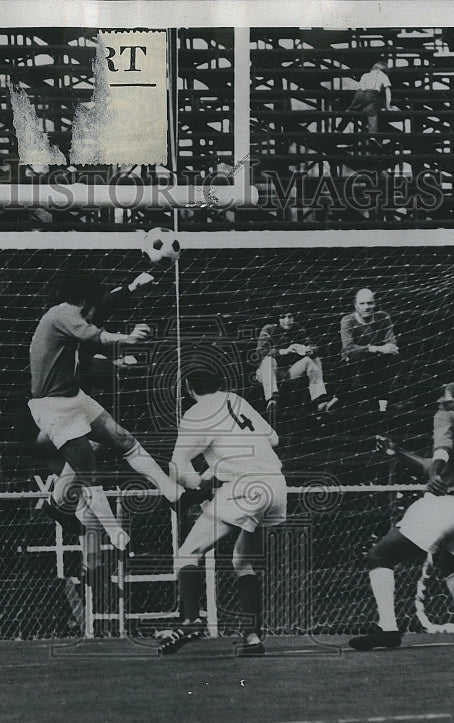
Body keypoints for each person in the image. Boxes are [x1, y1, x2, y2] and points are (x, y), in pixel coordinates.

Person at [27, 265, 182, 552]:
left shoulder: (69, 316)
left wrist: (133, 287)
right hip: (53, 407)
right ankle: (118, 538)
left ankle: (174, 494)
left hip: (74, 397)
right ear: (86, 301)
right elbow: (94, 335)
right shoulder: (63, 315)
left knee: (122, 438)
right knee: (89, 469)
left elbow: (101, 314)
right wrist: (128, 339)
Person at [348, 382, 454, 651]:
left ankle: (388, 629)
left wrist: (434, 475)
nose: (439, 399)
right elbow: (445, 463)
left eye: (444, 394)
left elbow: (442, 452)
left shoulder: (446, 416)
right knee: (451, 564)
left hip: (442, 505)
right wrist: (399, 453)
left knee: (379, 556)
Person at [158, 369, 287, 657]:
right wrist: (214, 472)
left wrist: (195, 492)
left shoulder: (196, 412)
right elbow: (274, 439)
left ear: (188, 387)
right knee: (243, 560)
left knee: (186, 554)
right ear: (220, 383)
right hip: (276, 485)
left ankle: (191, 621)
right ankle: (253, 638)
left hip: (244, 486)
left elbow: (176, 464)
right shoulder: (236, 400)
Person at [255, 303, 338, 414]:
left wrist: (309, 350)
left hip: (289, 371)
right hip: (268, 372)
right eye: (283, 317)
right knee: (268, 360)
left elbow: (313, 345)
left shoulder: (297, 328)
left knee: (313, 359)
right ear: (277, 318)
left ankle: (320, 401)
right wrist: (283, 351)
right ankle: (272, 400)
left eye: (290, 316)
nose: (288, 320)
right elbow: (260, 352)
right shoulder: (268, 329)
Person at [339, 288, 400, 412]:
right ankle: (362, 399)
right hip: (354, 363)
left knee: (394, 356)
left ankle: (388, 401)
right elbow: (349, 348)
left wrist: (389, 348)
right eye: (362, 304)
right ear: (355, 305)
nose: (366, 307)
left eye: (370, 303)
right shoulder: (347, 320)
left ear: (375, 304)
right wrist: (377, 348)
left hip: (378, 360)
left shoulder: (383, 317)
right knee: (358, 356)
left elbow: (391, 341)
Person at [337, 61, 392, 135]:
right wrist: (387, 107)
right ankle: (372, 134)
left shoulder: (365, 75)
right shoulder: (383, 75)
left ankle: (339, 129)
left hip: (360, 93)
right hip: (373, 92)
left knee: (350, 110)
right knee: (372, 114)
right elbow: (387, 92)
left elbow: (361, 88)